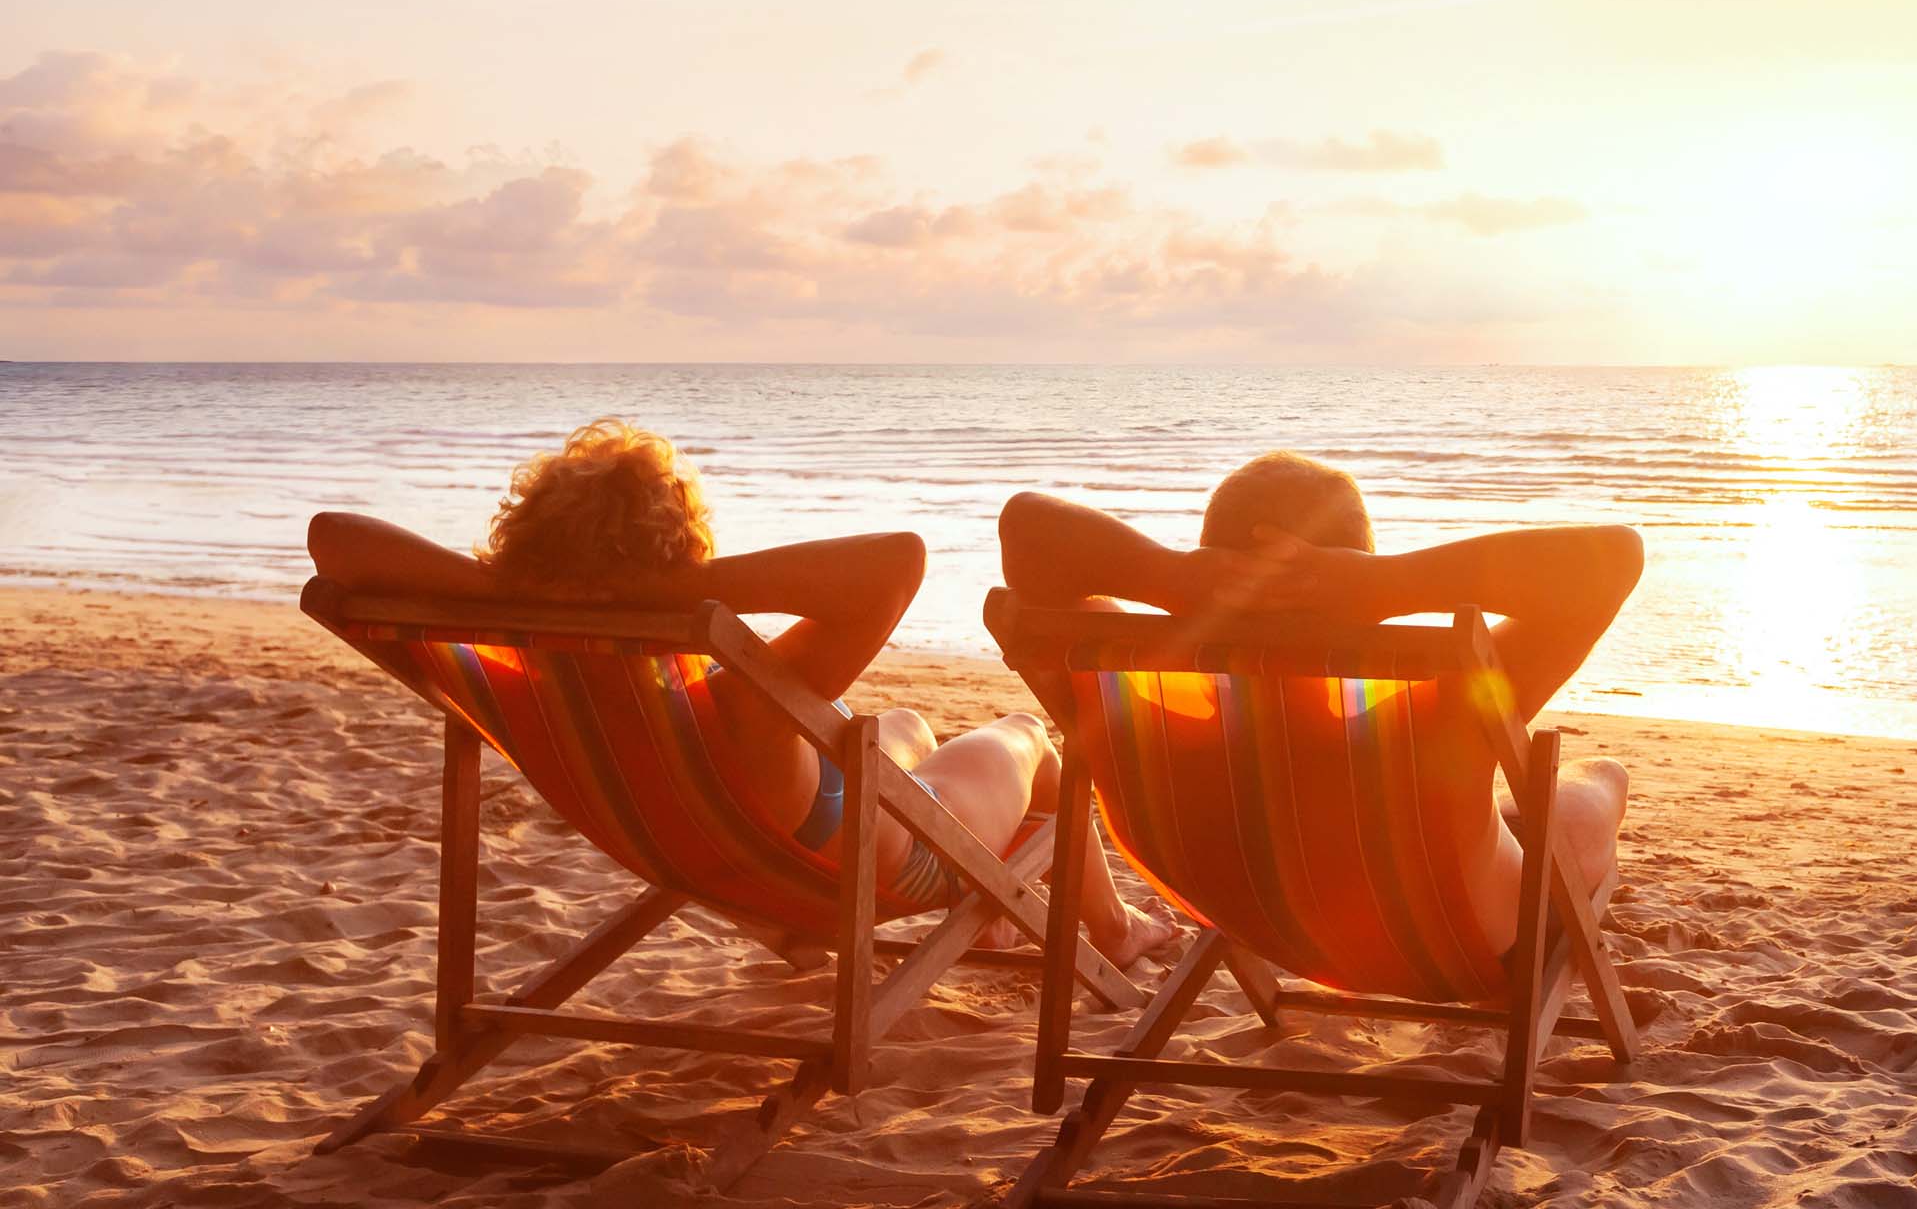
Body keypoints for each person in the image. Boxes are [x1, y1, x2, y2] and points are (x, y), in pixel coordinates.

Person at [305, 417, 1169, 966]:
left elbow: (332, 540)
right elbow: (899, 559)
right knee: (1025, 736)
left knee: (899, 721)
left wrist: (518, 592)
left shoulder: (513, 684)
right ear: (677, 557)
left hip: (700, 847)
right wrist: (668, 589)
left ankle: (995, 914)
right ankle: (1118, 932)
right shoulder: (739, 709)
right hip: (871, 870)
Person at [999, 452, 1644, 951]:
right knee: (1598, 779)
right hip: (1459, 946)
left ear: (1206, 563)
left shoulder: (1129, 704)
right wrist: (1390, 587)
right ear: (1356, 576)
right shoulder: (1437, 723)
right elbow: (1614, 557)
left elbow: (1027, 526)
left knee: (1501, 813)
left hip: (1244, 918)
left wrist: (1167, 577)